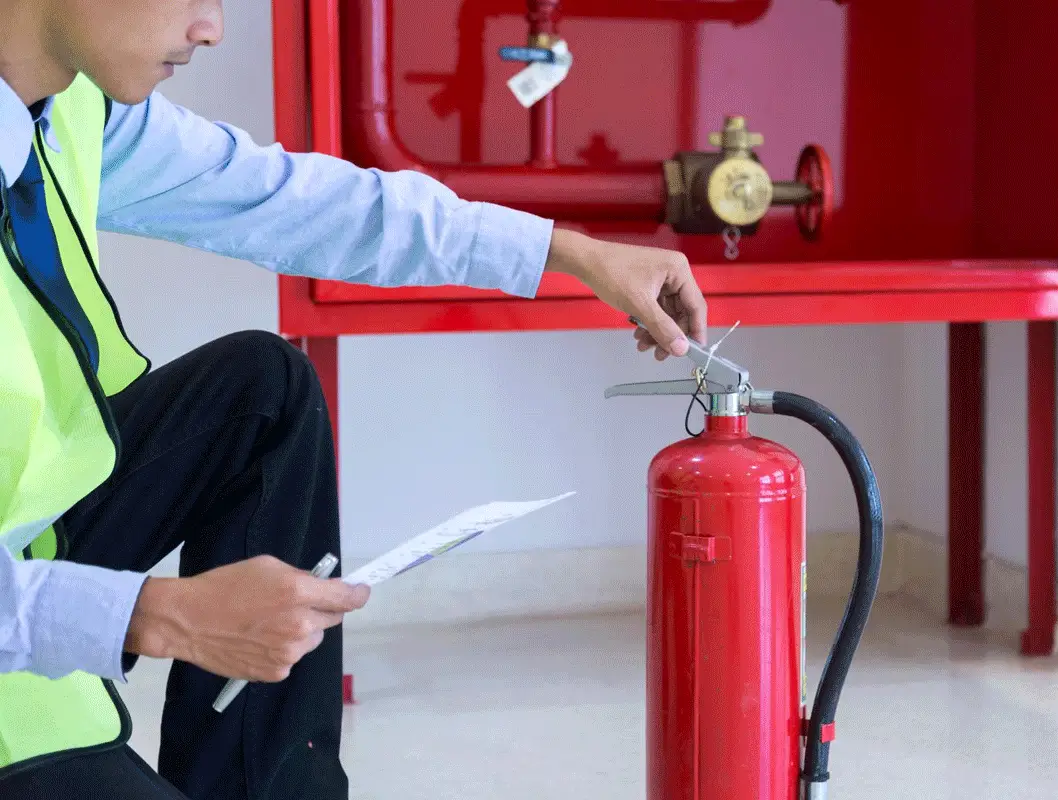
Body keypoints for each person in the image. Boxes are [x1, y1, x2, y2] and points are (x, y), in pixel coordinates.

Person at [0, 1, 707, 798]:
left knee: (264, 391)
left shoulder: (69, 110)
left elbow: (296, 201)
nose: (212, 28)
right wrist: (158, 613)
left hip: (26, 535)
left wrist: (566, 251)